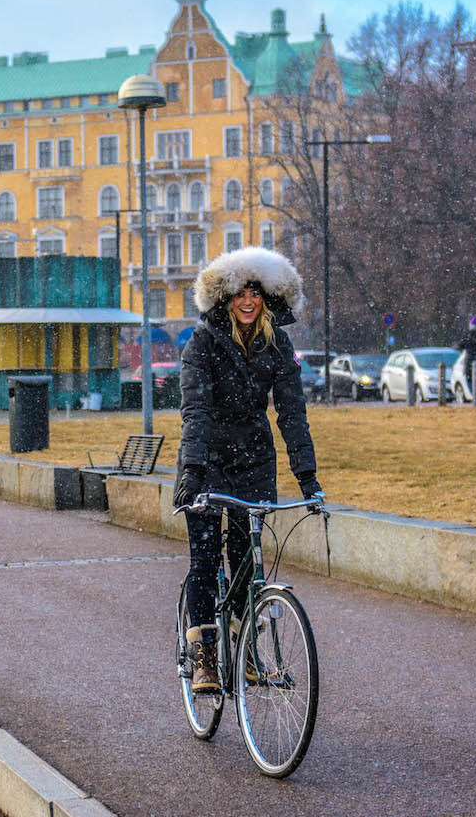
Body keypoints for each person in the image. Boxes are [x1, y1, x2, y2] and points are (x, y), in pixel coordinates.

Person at [174, 246, 319, 695]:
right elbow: (195, 410)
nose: (248, 301)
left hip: (254, 460)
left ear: (268, 299)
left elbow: (292, 413)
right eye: (240, 292)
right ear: (226, 298)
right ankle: (203, 659)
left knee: (246, 558)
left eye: (256, 292)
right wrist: (192, 473)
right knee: (203, 561)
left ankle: (247, 651)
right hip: (206, 458)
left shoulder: (278, 345)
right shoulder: (203, 342)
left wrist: (308, 479)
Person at [456, 316, 476, 402]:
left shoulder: (467, 334)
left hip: (469, 360)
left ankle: (475, 396)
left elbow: (460, 346)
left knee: (469, 379)